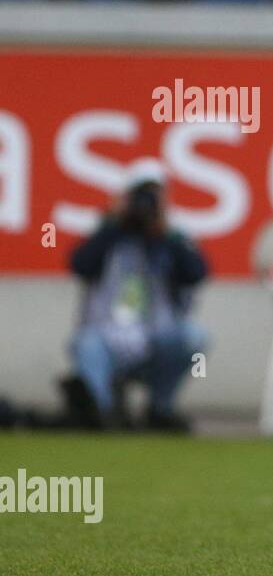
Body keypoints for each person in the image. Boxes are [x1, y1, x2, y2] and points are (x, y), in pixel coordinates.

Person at [68, 161, 209, 431]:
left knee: (192, 337)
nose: (145, 206)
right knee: (85, 344)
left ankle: (159, 408)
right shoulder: (109, 233)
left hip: (156, 333)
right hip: (108, 333)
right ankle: (103, 412)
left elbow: (197, 272)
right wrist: (115, 223)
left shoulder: (172, 236)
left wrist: (164, 233)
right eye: (140, 196)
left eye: (152, 197)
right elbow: (79, 264)